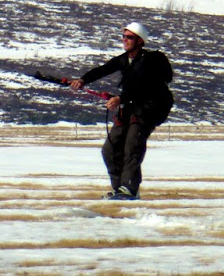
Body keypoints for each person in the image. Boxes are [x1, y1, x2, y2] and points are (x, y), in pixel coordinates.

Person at [70, 21, 173, 200]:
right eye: (124, 36)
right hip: (130, 107)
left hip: (148, 109)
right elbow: (103, 70)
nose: (125, 40)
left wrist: (120, 99)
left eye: (129, 37)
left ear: (140, 41)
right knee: (110, 149)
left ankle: (130, 189)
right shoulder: (124, 60)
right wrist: (83, 80)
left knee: (132, 145)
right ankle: (120, 190)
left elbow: (145, 84)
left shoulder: (151, 60)